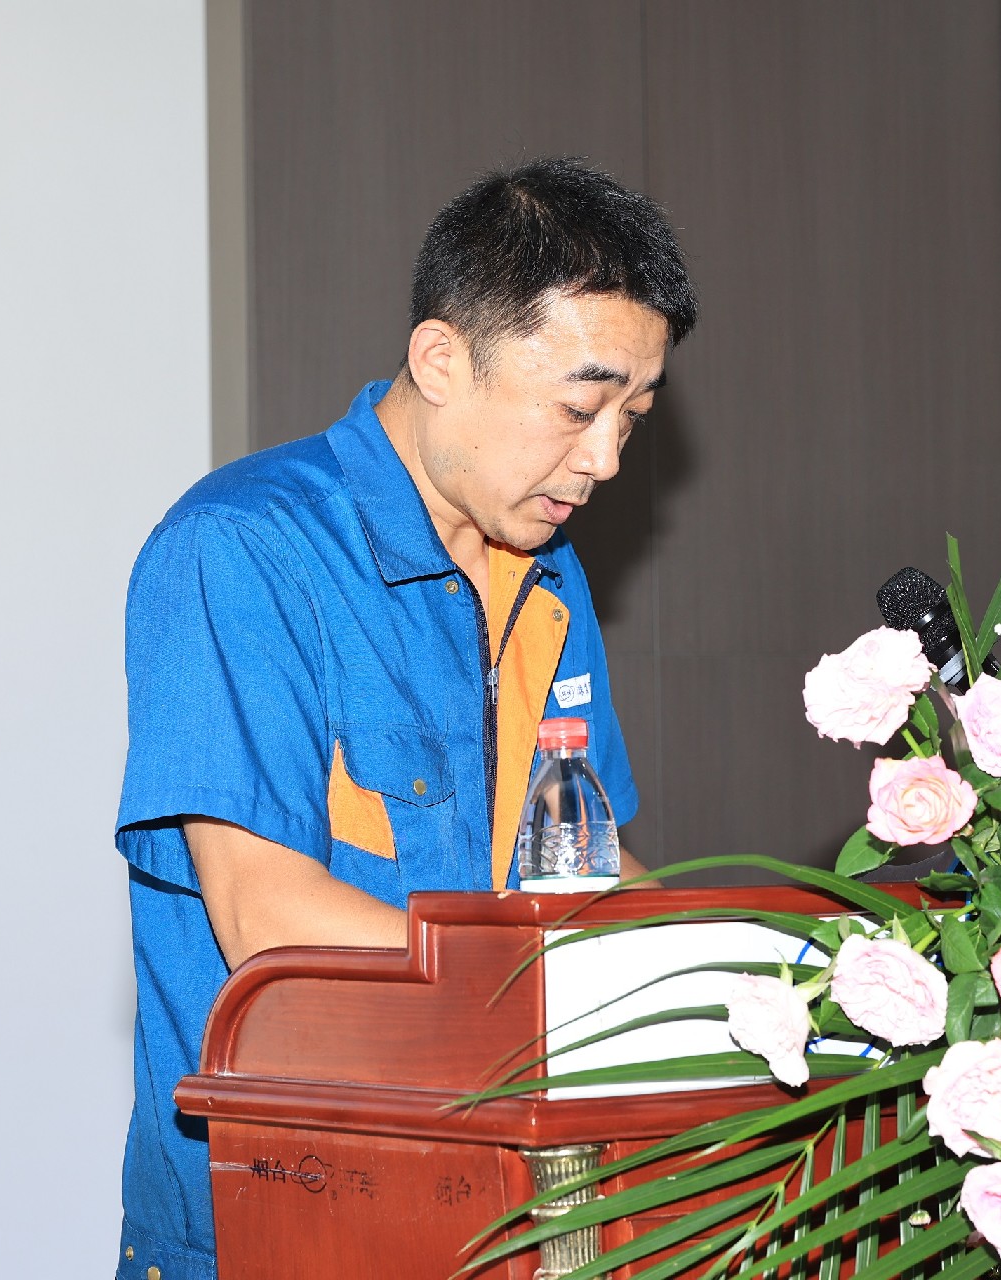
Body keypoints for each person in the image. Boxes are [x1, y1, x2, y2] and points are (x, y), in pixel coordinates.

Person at [110, 158, 696, 1280]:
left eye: (633, 416)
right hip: (287, 1210)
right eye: (579, 409)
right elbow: (268, 920)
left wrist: (746, 972)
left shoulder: (548, 575)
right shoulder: (241, 551)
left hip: (510, 1206)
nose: (606, 460)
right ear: (440, 360)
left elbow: (583, 857)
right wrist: (566, 1000)